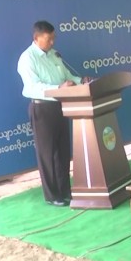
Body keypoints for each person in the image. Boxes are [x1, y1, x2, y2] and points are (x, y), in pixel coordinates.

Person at [17, 20, 92, 207]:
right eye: (48, 39)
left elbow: (67, 77)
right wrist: (59, 88)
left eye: (53, 38)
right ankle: (52, 195)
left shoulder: (54, 55)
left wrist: (81, 81)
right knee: (47, 154)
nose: (52, 42)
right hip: (42, 108)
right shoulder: (27, 58)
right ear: (36, 38)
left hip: (61, 106)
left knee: (62, 151)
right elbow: (32, 87)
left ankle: (65, 190)